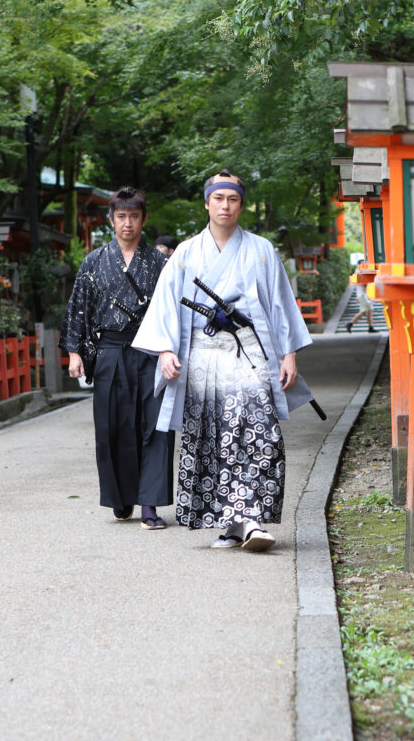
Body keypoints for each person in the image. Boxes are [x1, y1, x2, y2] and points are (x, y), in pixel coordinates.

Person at [133, 169, 313, 552]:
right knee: (212, 439)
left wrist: (290, 354)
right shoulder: (185, 253)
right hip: (203, 357)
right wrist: (166, 350)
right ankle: (232, 525)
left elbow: (281, 305)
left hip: (249, 354)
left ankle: (250, 520)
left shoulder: (262, 250)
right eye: (218, 198)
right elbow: (165, 304)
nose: (225, 206)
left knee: (258, 431)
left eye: (232, 199)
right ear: (207, 202)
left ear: (241, 205)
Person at [60, 186, 173, 529]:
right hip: (110, 351)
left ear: (143, 219)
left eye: (134, 216)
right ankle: (122, 496)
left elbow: (170, 311)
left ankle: (151, 503)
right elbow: (79, 307)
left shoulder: (160, 262)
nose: (128, 224)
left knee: (155, 426)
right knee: (113, 427)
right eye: (121, 217)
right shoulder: (95, 261)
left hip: (151, 352)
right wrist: (74, 351)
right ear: (111, 220)